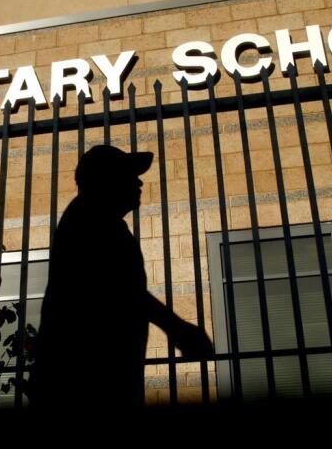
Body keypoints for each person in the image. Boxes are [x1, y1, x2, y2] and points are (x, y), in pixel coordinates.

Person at [32, 144, 212, 412]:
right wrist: (177, 328)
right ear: (106, 180)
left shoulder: (95, 220)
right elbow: (120, 290)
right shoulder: (90, 221)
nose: (139, 181)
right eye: (129, 174)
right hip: (87, 384)